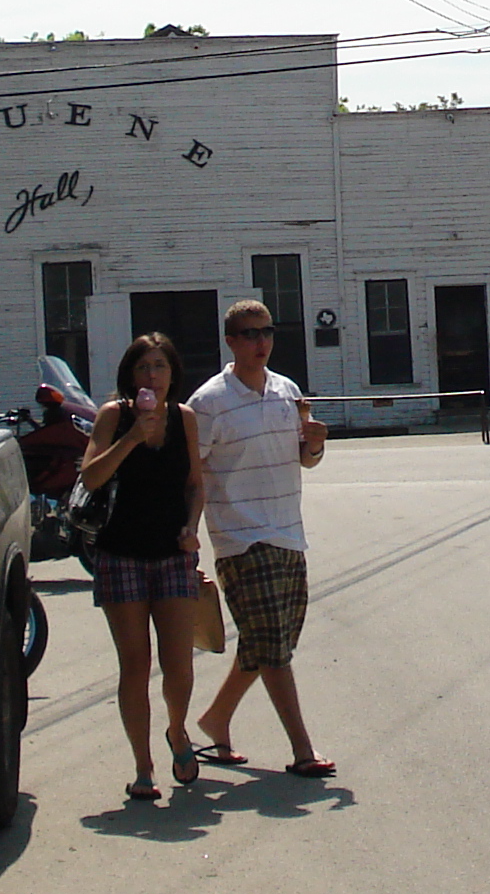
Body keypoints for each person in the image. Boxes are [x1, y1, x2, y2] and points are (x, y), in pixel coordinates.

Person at [187, 297, 332, 777]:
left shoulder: (287, 391)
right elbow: (192, 475)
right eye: (250, 334)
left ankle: (216, 718)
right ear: (231, 341)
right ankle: (303, 750)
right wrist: (187, 535)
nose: (261, 342)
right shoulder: (208, 403)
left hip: (289, 531)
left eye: (267, 332)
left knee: (269, 639)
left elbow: (305, 459)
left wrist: (314, 444)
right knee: (271, 644)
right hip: (240, 538)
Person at [79, 331, 204, 800]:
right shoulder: (114, 416)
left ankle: (177, 730)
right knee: (135, 664)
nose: (152, 376)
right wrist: (132, 437)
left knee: (179, 665)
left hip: (172, 553)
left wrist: (191, 525)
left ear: (173, 374)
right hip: (121, 554)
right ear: (130, 376)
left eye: (160, 366)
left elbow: (195, 484)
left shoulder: (184, 419)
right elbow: (91, 476)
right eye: (143, 367)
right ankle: (143, 766)